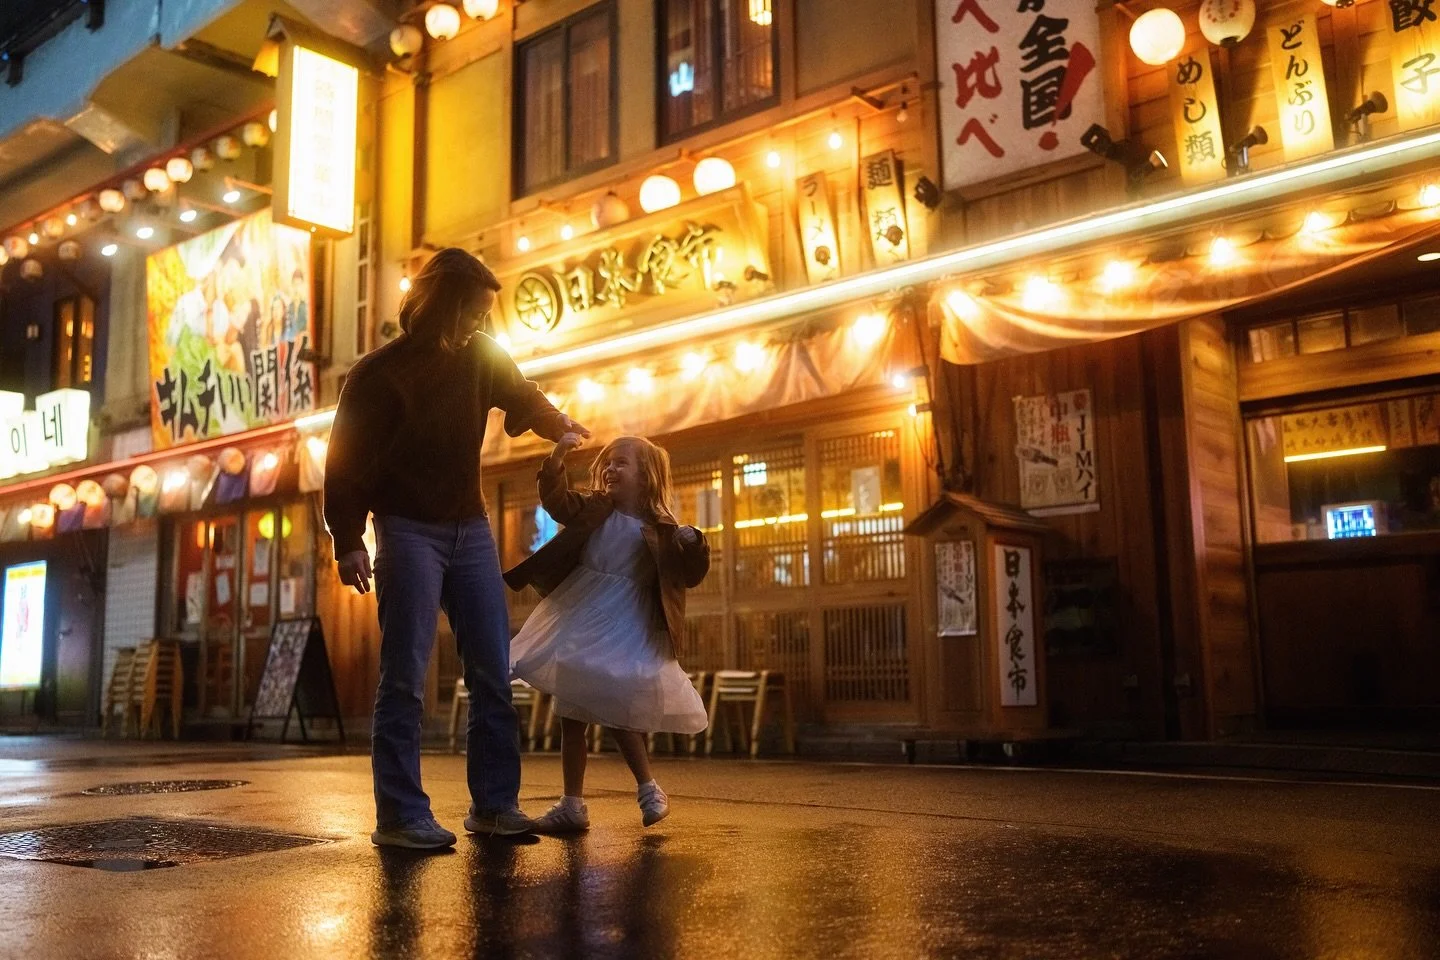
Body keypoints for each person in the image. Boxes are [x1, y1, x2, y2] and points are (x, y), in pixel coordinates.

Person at [324, 247, 589, 850]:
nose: (480, 323)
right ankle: (400, 816)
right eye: (473, 311)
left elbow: (523, 395)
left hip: (471, 527)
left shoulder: (481, 355)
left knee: (493, 670)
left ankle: (495, 806)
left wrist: (559, 425)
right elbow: (344, 464)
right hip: (405, 529)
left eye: (485, 314)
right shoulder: (377, 373)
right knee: (405, 676)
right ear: (442, 305)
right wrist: (348, 540)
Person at [506, 434, 710, 832]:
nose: (611, 469)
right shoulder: (594, 508)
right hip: (582, 614)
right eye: (608, 463)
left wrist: (694, 543)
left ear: (646, 475)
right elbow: (557, 501)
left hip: (626, 625)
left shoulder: (663, 529)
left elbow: (689, 575)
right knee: (571, 712)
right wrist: (557, 457)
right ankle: (573, 803)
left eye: (622, 463)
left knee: (614, 700)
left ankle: (647, 787)